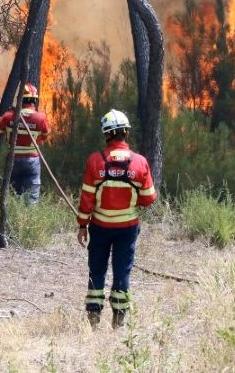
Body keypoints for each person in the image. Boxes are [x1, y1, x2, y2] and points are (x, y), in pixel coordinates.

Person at [76, 110, 157, 329]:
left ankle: (93, 321)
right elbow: (149, 198)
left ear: (106, 134)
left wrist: (82, 225)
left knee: (97, 271)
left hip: (100, 228)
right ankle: (118, 322)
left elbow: (86, 199)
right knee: (122, 271)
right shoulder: (140, 162)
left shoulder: (95, 161)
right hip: (127, 230)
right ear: (126, 132)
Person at [0, 82, 50, 204]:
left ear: (20, 100)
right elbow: (45, 136)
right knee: (32, 198)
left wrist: (0, 119)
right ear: (35, 101)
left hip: (13, 160)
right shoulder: (41, 118)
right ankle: (29, 213)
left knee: (12, 195)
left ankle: (12, 212)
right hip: (32, 161)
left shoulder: (9, 116)